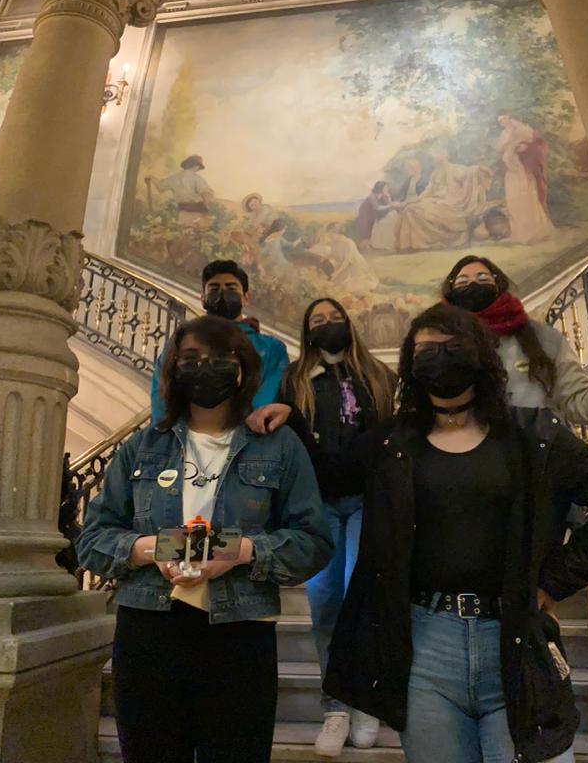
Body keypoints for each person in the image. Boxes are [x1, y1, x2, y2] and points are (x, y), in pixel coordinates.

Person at [321, 303, 588, 763]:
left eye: (451, 347)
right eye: (425, 350)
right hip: (425, 645)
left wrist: (556, 580)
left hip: (513, 637)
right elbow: (326, 476)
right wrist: (280, 414)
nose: (438, 357)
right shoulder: (391, 442)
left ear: (479, 354)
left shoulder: (533, 433)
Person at [77, 315, 333, 763]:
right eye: (191, 358)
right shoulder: (143, 446)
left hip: (239, 633)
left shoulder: (278, 446)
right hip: (149, 630)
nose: (204, 367)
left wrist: (241, 551)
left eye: (220, 358)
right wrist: (152, 549)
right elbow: (92, 538)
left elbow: (313, 541)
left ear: (242, 368)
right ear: (173, 368)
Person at [248, 298, 396, 758]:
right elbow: (286, 436)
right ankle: (336, 706)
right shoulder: (295, 379)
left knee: (360, 595)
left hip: (368, 501)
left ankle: (364, 697)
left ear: (348, 324)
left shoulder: (380, 376)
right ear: (307, 331)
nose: (328, 325)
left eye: (335, 318)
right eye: (318, 320)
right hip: (318, 506)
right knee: (325, 602)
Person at [441, 255, 588, 425]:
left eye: (483, 279)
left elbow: (579, 400)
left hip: (535, 458)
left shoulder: (541, 338)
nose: (473, 285)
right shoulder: (437, 340)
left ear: (498, 285)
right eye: (462, 282)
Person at [150, 260, 289, 424]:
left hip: (248, 433)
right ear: (203, 299)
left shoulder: (271, 348)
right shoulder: (183, 343)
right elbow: (163, 390)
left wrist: (243, 430)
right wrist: (169, 429)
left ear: (245, 298)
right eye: (214, 289)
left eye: (231, 288)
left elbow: (269, 396)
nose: (222, 293)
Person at [396, 149, 492, 252]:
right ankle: (412, 245)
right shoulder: (434, 174)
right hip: (435, 202)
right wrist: (412, 201)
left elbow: (469, 173)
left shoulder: (455, 169)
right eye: (435, 154)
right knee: (410, 209)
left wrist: (479, 169)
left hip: (452, 205)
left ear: (446, 155)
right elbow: (427, 192)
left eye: (438, 153)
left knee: (413, 210)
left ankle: (429, 242)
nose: (436, 157)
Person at [496, 112, 555, 244]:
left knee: (527, 199)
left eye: (504, 119)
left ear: (510, 118)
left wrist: (519, 147)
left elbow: (533, 147)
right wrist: (507, 147)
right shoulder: (504, 133)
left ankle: (535, 232)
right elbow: (500, 149)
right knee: (514, 201)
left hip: (522, 171)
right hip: (511, 173)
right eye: (500, 121)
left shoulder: (523, 130)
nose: (503, 123)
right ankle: (519, 233)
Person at [146, 155, 216, 228]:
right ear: (195, 166)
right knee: (201, 232)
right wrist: (206, 205)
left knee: (184, 232)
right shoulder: (197, 179)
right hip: (198, 212)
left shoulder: (174, 177)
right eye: (199, 166)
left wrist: (151, 177)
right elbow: (206, 194)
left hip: (183, 212)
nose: (198, 169)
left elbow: (160, 186)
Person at [355, 181, 396, 248]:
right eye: (385, 188)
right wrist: (390, 206)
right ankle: (365, 245)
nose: (387, 189)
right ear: (380, 188)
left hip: (374, 214)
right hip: (365, 214)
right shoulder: (372, 196)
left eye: (387, 188)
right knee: (366, 229)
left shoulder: (384, 195)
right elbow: (377, 207)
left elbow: (389, 204)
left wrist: (388, 197)